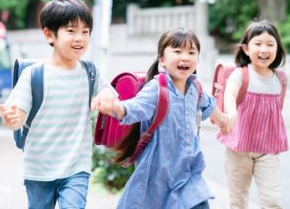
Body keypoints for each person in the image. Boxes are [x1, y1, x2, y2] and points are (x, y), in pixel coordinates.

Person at [0, 0, 116, 209]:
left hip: (76, 167)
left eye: (85, 31)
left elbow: (109, 92)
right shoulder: (34, 74)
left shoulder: (90, 72)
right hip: (39, 169)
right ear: (49, 34)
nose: (79, 38)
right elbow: (16, 118)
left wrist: (108, 95)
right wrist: (12, 119)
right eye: (71, 31)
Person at [96, 27, 234, 209]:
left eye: (191, 52)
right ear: (162, 59)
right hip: (157, 177)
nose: (185, 57)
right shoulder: (156, 89)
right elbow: (134, 108)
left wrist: (223, 120)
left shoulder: (195, 88)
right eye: (177, 51)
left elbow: (209, 104)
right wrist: (115, 107)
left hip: (189, 176)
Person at [216, 19, 288, 209]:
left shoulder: (280, 78)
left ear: (277, 49)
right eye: (258, 44)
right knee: (238, 201)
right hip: (238, 149)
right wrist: (231, 115)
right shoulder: (241, 74)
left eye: (270, 44)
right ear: (246, 49)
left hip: (267, 149)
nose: (264, 49)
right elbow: (230, 95)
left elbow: (277, 109)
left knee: (272, 201)